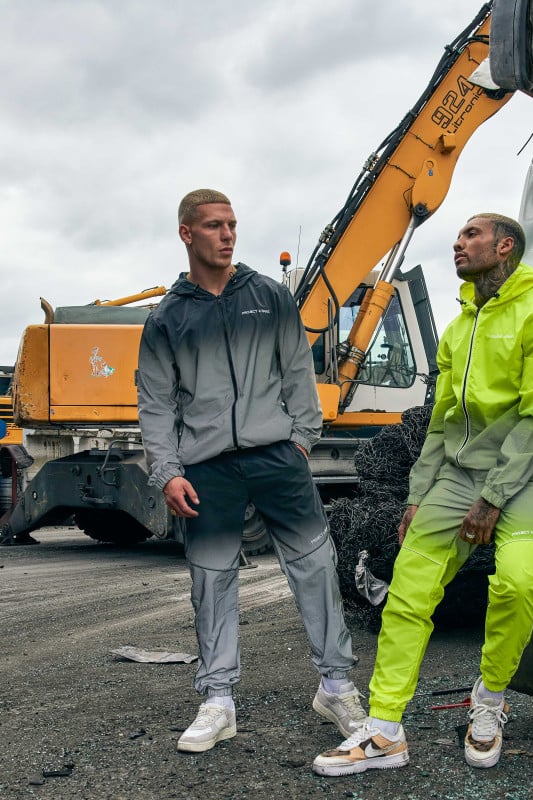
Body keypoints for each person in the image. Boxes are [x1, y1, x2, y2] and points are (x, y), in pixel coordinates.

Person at [312, 213, 533, 776]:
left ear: (504, 246)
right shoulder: (459, 329)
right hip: (456, 477)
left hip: (528, 473)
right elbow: (440, 422)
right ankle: (385, 730)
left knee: (517, 582)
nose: (458, 243)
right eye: (458, 236)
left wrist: (494, 496)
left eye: (471, 235)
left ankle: (490, 698)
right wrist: (417, 494)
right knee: (408, 593)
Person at [137, 188, 366, 754]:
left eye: (233, 224)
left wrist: (301, 442)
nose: (228, 234)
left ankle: (336, 686)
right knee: (211, 581)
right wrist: (166, 471)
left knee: (315, 567)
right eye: (214, 226)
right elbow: (157, 403)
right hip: (206, 466)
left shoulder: (267, 295)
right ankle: (217, 700)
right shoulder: (168, 318)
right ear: (187, 234)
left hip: (276, 458)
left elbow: (297, 371)